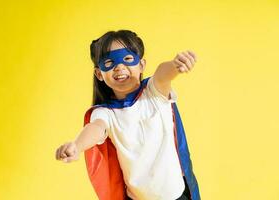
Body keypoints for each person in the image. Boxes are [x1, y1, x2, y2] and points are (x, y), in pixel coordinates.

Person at [55, 30, 201, 200]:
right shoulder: (106, 113)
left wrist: (175, 65)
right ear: (99, 74)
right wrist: (76, 145)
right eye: (109, 62)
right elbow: (95, 128)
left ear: (142, 65)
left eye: (128, 59)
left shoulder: (154, 92)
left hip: (176, 195)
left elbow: (162, 73)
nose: (119, 67)